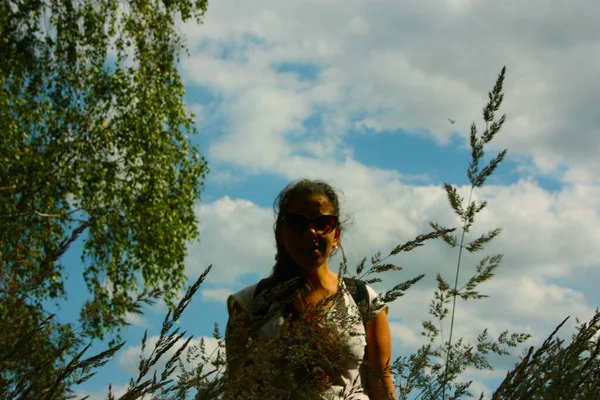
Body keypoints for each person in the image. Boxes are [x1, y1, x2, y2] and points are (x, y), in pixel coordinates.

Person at [225, 179, 397, 399]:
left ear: (336, 235)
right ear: (280, 232)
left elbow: (382, 388)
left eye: (323, 223)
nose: (310, 232)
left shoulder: (363, 300)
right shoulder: (251, 304)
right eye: (298, 222)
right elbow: (239, 391)